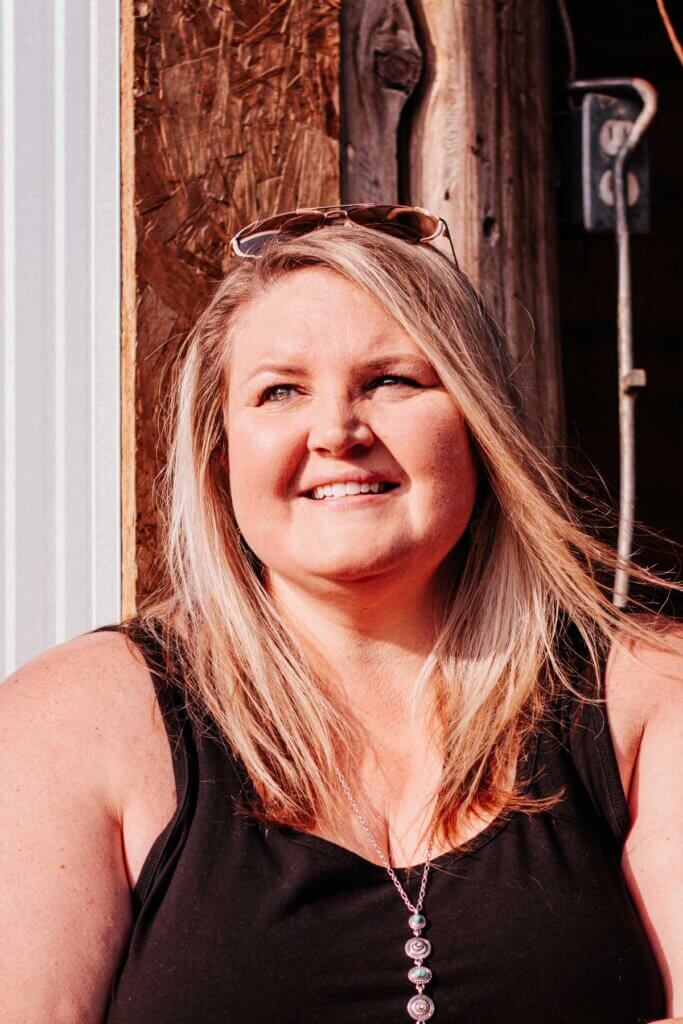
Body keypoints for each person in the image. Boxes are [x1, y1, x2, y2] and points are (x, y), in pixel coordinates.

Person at [1, 203, 681, 1024]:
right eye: (279, 391)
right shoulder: (75, 721)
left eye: (391, 380)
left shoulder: (647, 695)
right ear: (220, 459)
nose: (336, 432)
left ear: (477, 423)